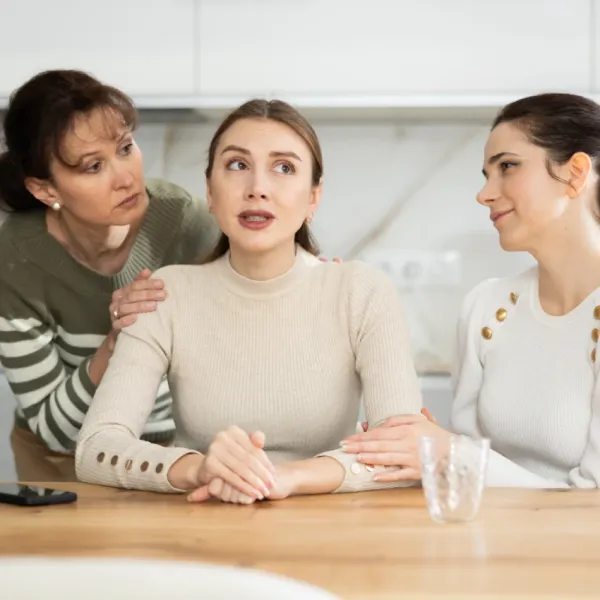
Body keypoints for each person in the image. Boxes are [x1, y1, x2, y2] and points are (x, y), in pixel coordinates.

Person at [75, 98, 424, 504]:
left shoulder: (362, 292)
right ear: (210, 189)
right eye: (238, 165)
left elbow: (404, 452)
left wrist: (289, 478)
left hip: (330, 533)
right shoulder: (166, 295)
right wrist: (197, 468)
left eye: (284, 168)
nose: (258, 188)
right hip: (200, 523)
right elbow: (95, 449)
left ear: (314, 197)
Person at [340, 92, 600, 490]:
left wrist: (448, 452)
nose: (485, 194)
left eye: (508, 167)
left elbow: (592, 501)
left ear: (576, 173)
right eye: (486, 175)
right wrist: (424, 446)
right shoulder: (487, 307)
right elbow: (472, 470)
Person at [0, 69, 220, 481]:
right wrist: (117, 342)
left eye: (125, 148)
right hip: (61, 463)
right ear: (45, 191)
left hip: (176, 454)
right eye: (93, 166)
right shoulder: (14, 261)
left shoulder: (191, 226)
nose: (125, 177)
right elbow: (56, 431)